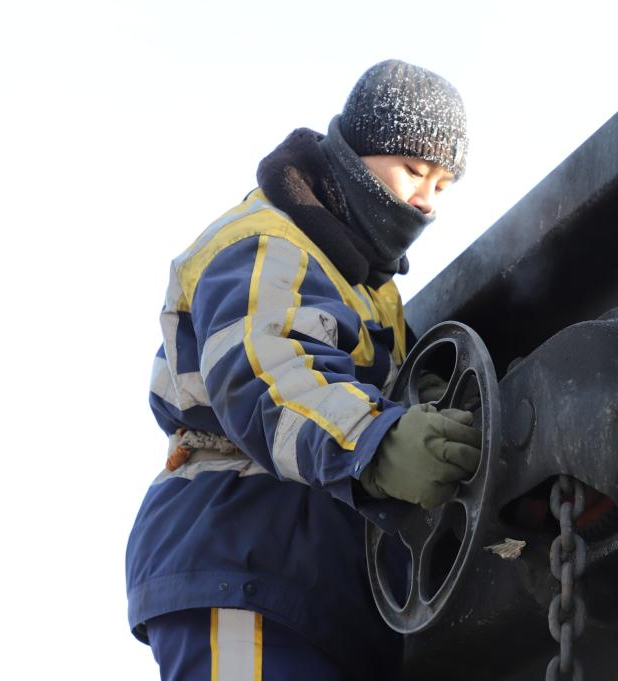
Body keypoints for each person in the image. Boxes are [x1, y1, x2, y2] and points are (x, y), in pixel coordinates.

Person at [126, 59, 482, 681]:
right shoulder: (268, 243)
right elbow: (271, 374)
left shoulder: (371, 292)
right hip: (243, 561)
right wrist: (379, 441)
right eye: (414, 172)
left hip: (316, 590)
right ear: (355, 156)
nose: (426, 201)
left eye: (444, 186)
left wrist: (414, 398)